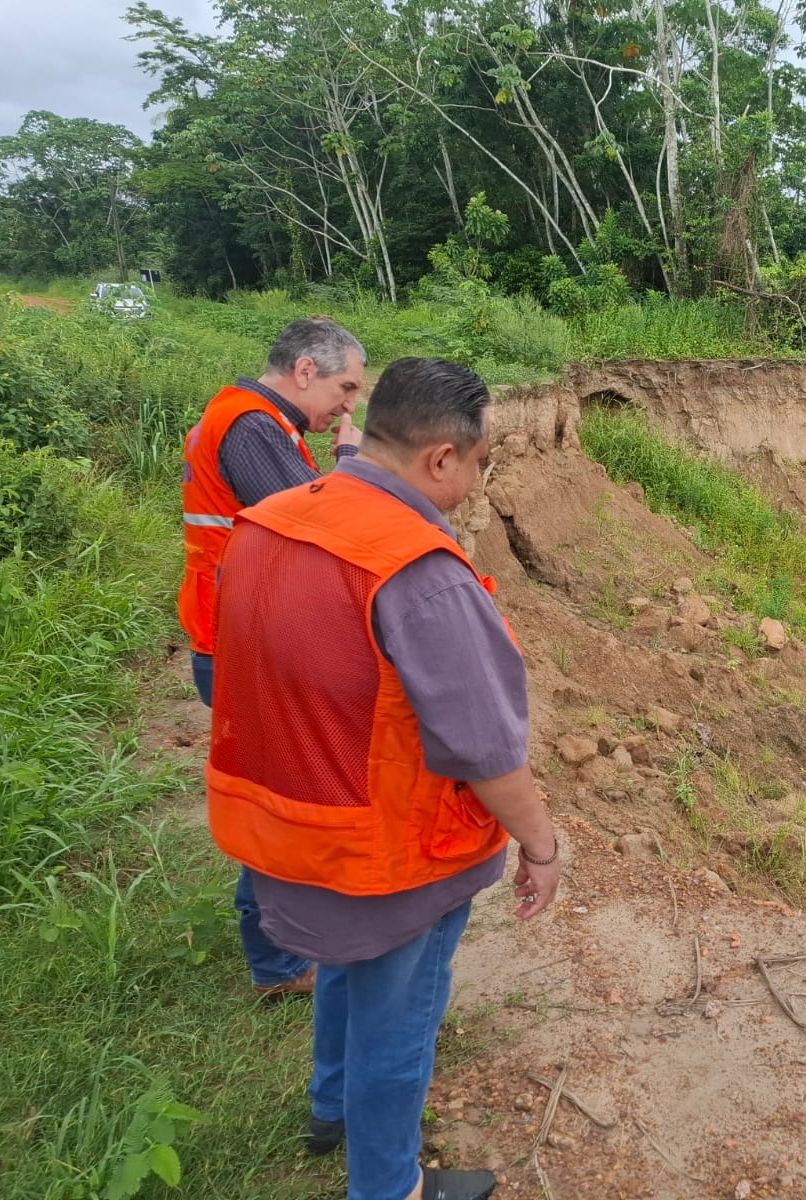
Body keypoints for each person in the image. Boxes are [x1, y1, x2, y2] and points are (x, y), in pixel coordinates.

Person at [206, 357, 558, 1200]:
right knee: (398, 1024)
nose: (476, 480)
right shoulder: (419, 573)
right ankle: (390, 1185)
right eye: (478, 462)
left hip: (288, 824)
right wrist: (541, 846)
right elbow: (486, 750)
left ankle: (330, 1108)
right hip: (391, 854)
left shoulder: (272, 519)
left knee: (343, 966)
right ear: (440, 458)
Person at [179, 316, 368, 998]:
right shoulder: (251, 427)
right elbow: (316, 529)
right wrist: (351, 463)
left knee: (281, 792)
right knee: (278, 801)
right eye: (345, 388)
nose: (348, 406)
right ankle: (280, 964)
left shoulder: (258, 423)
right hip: (243, 640)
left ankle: (287, 948)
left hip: (240, 630)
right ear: (306, 370)